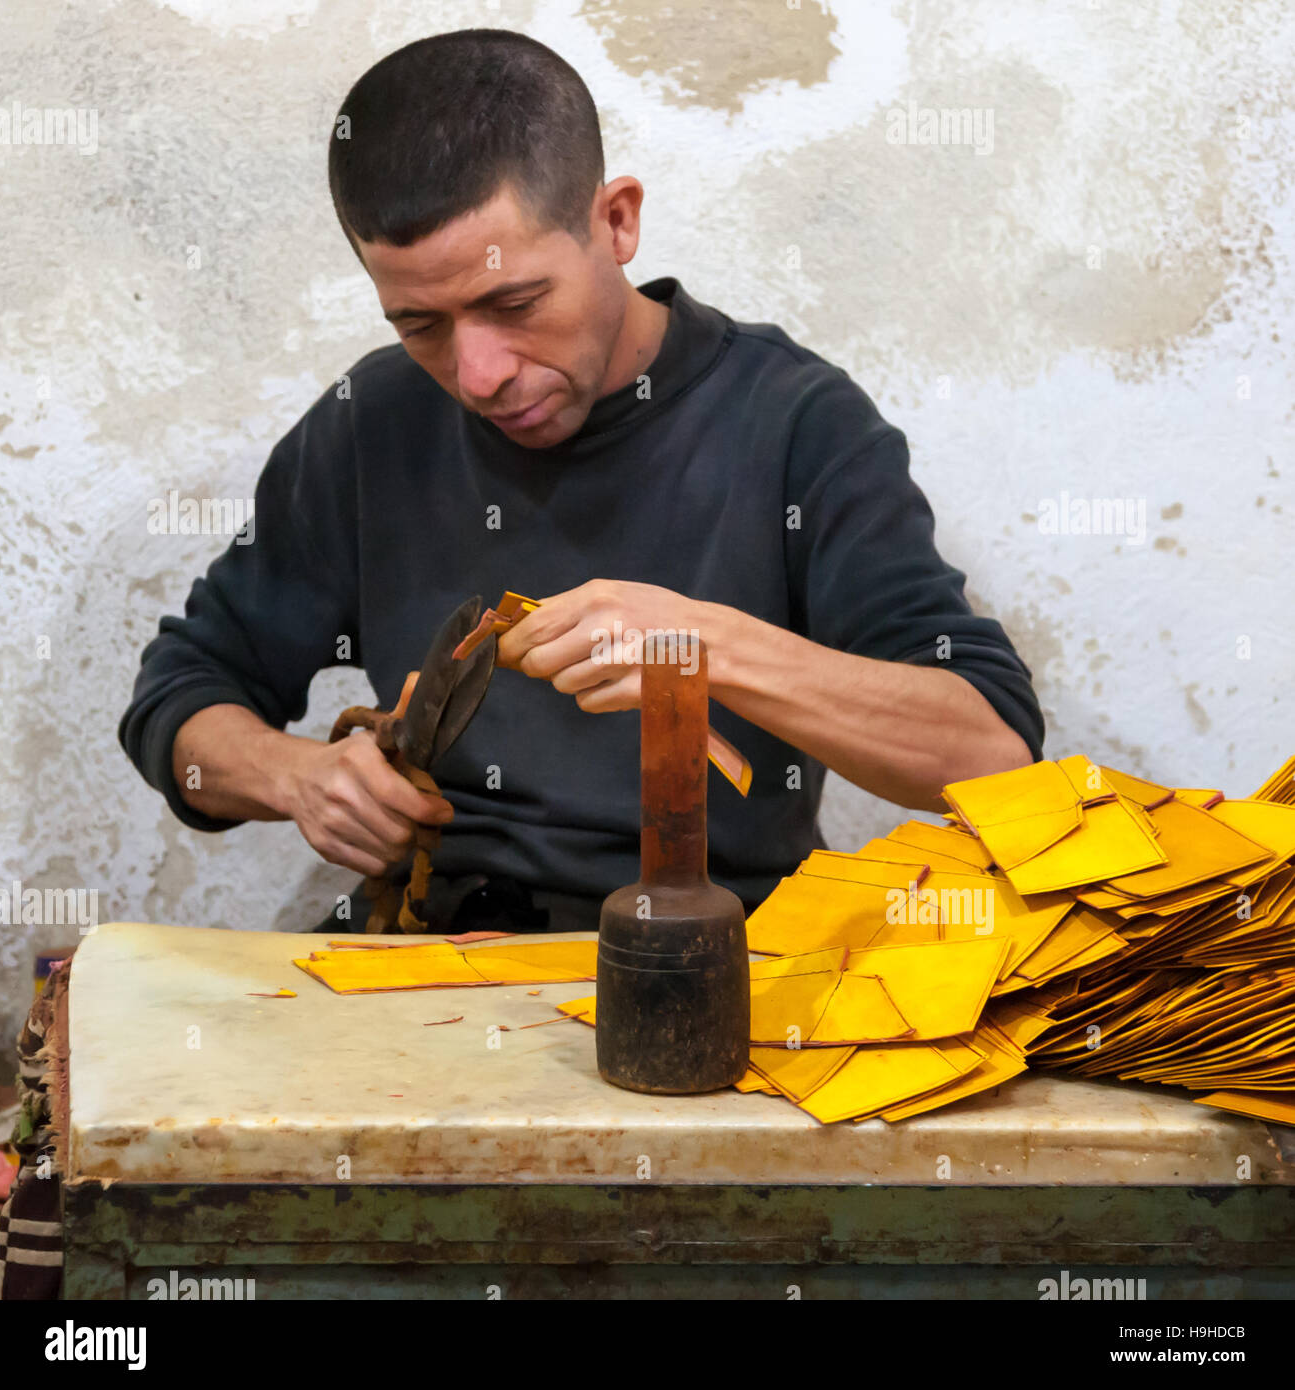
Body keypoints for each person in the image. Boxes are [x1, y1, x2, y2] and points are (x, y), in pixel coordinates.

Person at [119, 28, 1044, 935]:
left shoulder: (795, 422)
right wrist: (295, 778)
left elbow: (989, 749)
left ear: (616, 220)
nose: (477, 373)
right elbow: (183, 693)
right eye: (420, 323)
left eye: (514, 305)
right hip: (418, 959)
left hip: (704, 971)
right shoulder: (376, 420)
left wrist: (700, 647)